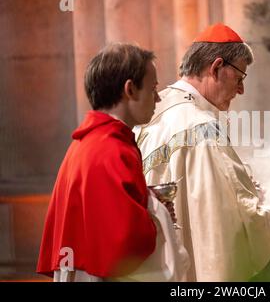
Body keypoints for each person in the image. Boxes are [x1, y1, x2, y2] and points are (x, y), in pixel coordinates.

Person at [134, 24, 270, 281]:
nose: (241, 90)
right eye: (239, 78)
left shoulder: (153, 112)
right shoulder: (200, 127)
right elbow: (236, 219)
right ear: (215, 68)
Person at [37, 43, 188, 281]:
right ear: (130, 90)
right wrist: (157, 211)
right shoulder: (111, 150)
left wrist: (146, 200)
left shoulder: (86, 142)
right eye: (153, 88)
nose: (158, 98)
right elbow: (124, 243)